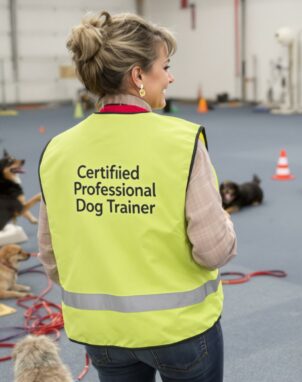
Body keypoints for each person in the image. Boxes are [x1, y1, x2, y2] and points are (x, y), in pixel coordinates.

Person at [37, 11, 236, 382]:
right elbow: (213, 251)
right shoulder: (182, 142)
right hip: (181, 331)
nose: (172, 76)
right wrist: (226, 222)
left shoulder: (57, 151)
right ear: (138, 76)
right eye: (165, 65)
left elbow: (52, 259)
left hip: (102, 335)